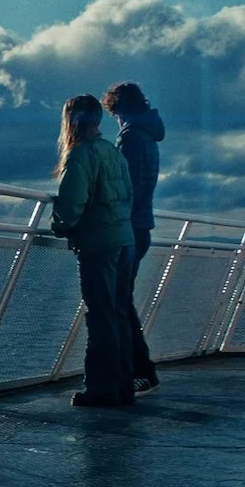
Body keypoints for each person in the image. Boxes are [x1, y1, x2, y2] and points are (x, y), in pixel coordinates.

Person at [48, 94, 138, 407]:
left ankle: (102, 390)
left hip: (100, 244)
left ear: (70, 121)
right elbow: (128, 194)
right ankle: (123, 386)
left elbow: (72, 204)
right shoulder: (111, 152)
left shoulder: (80, 155)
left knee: (101, 317)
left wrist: (59, 226)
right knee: (119, 313)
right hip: (124, 240)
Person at [104, 80, 164, 395]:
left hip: (128, 228)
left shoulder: (130, 138)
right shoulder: (147, 136)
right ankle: (137, 369)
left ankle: (142, 371)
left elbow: (127, 188)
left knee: (119, 300)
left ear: (119, 109)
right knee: (121, 298)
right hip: (140, 227)